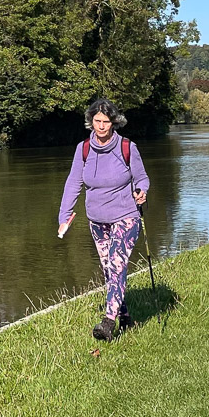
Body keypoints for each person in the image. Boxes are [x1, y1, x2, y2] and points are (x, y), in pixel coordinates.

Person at [58, 97, 149, 346]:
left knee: (117, 265)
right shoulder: (84, 149)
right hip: (97, 220)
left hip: (126, 216)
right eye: (97, 121)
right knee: (110, 269)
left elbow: (142, 177)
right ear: (91, 121)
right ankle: (125, 317)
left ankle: (108, 322)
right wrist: (64, 216)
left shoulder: (127, 147)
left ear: (114, 122)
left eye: (106, 122)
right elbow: (73, 183)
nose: (101, 126)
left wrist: (141, 191)